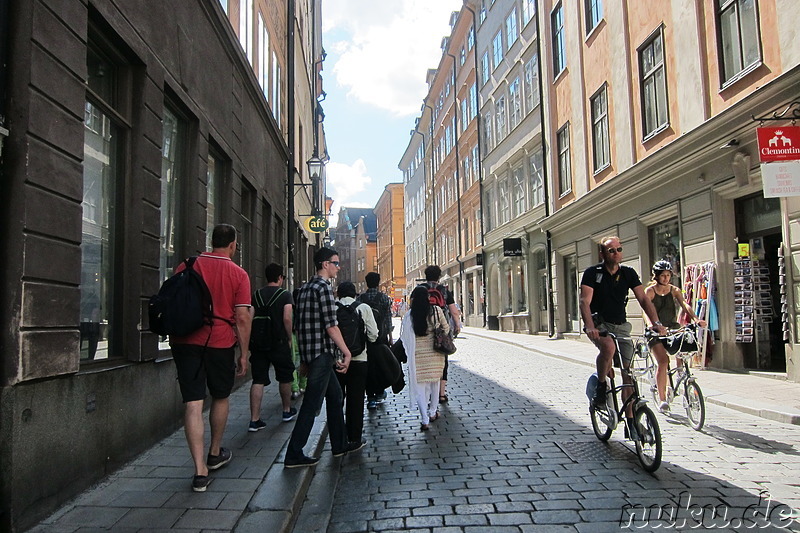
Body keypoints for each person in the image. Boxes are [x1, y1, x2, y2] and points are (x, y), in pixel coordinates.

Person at [169, 224, 252, 492]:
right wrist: (244, 353)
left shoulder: (187, 266)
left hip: (186, 340)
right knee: (220, 395)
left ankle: (199, 471)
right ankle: (214, 453)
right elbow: (241, 317)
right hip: (219, 341)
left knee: (193, 404)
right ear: (233, 245)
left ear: (211, 241)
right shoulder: (238, 274)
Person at [579, 236, 666, 438]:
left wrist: (657, 323)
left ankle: (630, 421)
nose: (616, 253)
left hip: (621, 326)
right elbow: (585, 302)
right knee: (608, 347)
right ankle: (601, 386)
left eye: (619, 249)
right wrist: (590, 327)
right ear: (602, 254)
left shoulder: (628, 273)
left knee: (629, 374)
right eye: (611, 250)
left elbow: (643, 298)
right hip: (599, 324)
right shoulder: (593, 273)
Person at [285, 247, 364, 467]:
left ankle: (339, 444)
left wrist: (304, 359)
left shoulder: (304, 288)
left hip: (314, 354)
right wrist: (347, 352)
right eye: (336, 263)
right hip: (322, 355)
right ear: (325, 264)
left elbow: (299, 326)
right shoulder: (324, 288)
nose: (338, 267)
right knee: (311, 404)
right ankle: (293, 453)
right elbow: (331, 326)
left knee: (336, 396)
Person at [644, 260, 707, 413]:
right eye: (663, 276)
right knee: (663, 361)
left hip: (672, 327)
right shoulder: (650, 291)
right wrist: (652, 326)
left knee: (683, 347)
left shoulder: (674, 290)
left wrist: (696, 319)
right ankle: (663, 399)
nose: (666, 278)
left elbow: (685, 305)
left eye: (668, 275)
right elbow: (646, 310)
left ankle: (680, 373)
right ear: (656, 276)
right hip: (655, 331)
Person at [248, 263, 296, 431]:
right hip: (278, 342)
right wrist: (289, 338)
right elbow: (287, 318)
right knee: (285, 376)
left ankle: (254, 419)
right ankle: (286, 410)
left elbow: (249, 317)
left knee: (258, 379)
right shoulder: (285, 295)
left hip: (258, 343)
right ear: (280, 278)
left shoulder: (256, 295)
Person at [399, 286, 450, 431]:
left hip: (417, 355)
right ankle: (433, 412)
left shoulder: (410, 315)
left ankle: (424, 419)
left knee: (420, 388)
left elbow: (404, 336)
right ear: (428, 298)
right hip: (435, 353)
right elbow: (446, 329)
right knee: (434, 383)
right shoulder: (436, 310)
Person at [335, 281, 378, 444]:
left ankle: (339, 437)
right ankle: (355, 437)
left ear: (338, 293)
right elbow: (373, 335)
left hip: (338, 360)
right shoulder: (363, 308)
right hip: (359, 359)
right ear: (354, 294)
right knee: (356, 399)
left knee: (337, 399)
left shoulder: (333, 307)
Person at [422, 265, 460, 403]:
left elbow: (412, 310)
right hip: (442, 331)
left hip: (424, 331)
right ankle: (441, 394)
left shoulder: (419, 290)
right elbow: (454, 310)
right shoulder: (444, 291)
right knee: (443, 361)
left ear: (426, 276)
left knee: (425, 361)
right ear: (439, 276)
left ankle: (428, 392)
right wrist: (457, 325)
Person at [357, 272, 393, 409]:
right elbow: (388, 318)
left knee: (368, 366)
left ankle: (370, 396)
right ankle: (379, 391)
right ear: (378, 283)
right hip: (380, 337)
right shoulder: (384, 298)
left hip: (364, 339)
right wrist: (390, 337)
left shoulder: (361, 298)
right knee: (380, 365)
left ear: (366, 283)